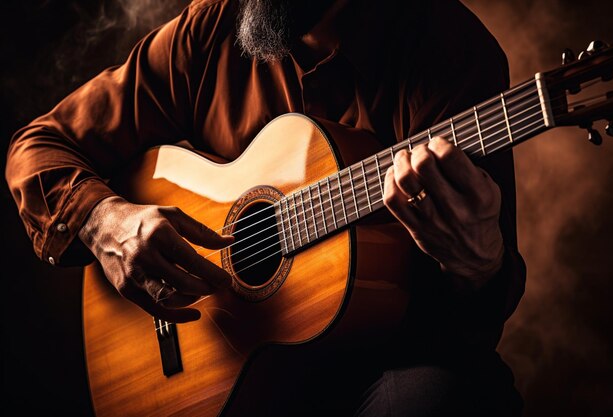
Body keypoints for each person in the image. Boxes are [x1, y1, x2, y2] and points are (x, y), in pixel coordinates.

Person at [5, 0, 527, 415]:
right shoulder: (213, 28)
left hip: (381, 367)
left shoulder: (450, 50)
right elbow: (38, 147)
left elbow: (468, 325)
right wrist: (104, 219)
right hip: (232, 377)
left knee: (459, 396)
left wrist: (479, 266)